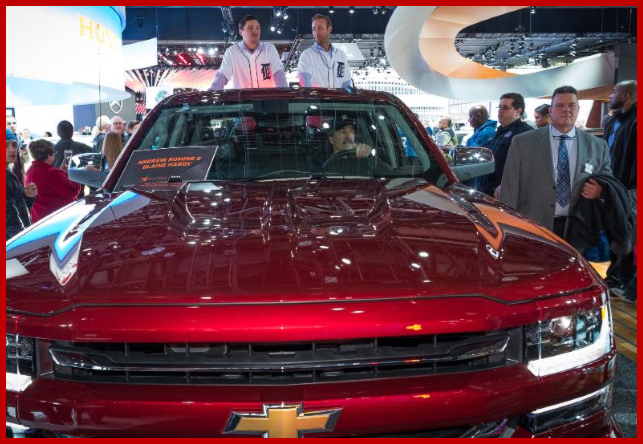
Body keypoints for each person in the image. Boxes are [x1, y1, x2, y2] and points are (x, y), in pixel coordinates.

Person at [500, 86, 612, 238]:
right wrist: (509, 227)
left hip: (580, 228)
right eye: (560, 106)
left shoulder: (598, 145)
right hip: (533, 226)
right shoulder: (523, 142)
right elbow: (510, 187)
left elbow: (608, 183)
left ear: (578, 109)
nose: (566, 110)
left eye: (571, 105)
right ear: (550, 111)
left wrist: (600, 191)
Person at [603, 80, 637, 292]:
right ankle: (616, 277)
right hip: (612, 186)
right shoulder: (613, 120)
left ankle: (620, 279)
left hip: (629, 189)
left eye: (614, 91)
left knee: (626, 233)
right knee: (614, 232)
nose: (610, 95)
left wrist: (631, 190)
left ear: (626, 95)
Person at [476, 93, 533, 197]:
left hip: (504, 194)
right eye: (499, 107)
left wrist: (505, 185)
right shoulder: (499, 132)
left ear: (518, 111)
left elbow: (528, 167)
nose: (500, 110)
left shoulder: (525, 133)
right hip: (486, 191)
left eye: (505, 108)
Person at [209, 16, 287, 90]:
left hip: (267, 98)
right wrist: (211, 92)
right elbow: (222, 76)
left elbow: (279, 74)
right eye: (250, 28)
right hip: (243, 99)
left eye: (257, 28)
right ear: (241, 31)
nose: (255, 31)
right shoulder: (232, 52)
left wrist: (285, 94)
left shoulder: (269, 49)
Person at [24, 139, 81, 223]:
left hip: (39, 217)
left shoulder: (30, 170)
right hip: (56, 218)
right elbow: (73, 191)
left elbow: (50, 186)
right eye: (53, 153)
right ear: (48, 156)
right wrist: (75, 173)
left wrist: (62, 173)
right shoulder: (53, 173)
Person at [297, 14, 352, 89]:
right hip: (317, 96)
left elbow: (347, 83)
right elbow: (305, 86)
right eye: (314, 29)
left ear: (329, 29)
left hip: (338, 96)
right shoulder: (307, 55)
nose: (316, 32)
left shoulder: (341, 55)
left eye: (320, 28)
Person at [6, 129, 37, 239]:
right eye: (5, 146)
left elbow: (15, 207)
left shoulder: (8, 172)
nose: (12, 150)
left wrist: (26, 194)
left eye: (14, 145)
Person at [6, 116, 29, 185]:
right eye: (9, 123)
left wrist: (24, 154)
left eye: (14, 123)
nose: (12, 126)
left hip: (19, 174)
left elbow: (26, 161)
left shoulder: (21, 140)